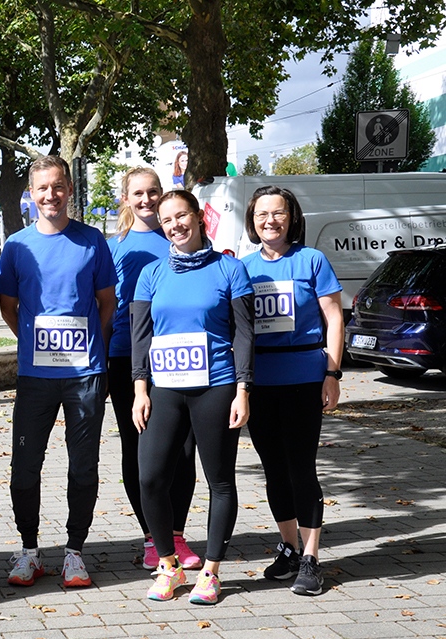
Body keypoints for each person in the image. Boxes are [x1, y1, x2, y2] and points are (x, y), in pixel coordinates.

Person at [0, 155, 117, 589]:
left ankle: (74, 552)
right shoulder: (17, 246)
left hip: (85, 375)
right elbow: (9, 307)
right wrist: (33, 341)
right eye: (42, 188)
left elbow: (107, 304)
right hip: (35, 378)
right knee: (25, 464)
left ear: (69, 189)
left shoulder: (92, 240)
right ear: (31, 193)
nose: (51, 195)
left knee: (83, 466)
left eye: (58, 186)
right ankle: (29, 551)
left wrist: (88, 348)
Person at [132, 189, 255, 606]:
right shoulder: (151, 273)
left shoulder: (229, 268)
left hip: (217, 385)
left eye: (181, 216)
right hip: (165, 388)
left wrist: (242, 388)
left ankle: (212, 571)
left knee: (219, 480)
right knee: (150, 477)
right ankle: (169, 565)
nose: (174, 226)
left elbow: (243, 332)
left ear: (198, 217)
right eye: (166, 221)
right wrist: (139, 389)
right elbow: (140, 336)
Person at [240, 186, 343, 596]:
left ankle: (313, 557)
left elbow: (334, 318)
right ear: (252, 221)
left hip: (303, 376)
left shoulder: (312, 260)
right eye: (262, 214)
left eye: (278, 213)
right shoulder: (243, 268)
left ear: (291, 217)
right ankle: (288, 547)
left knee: (301, 467)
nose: (270, 220)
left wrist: (333, 373)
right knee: (273, 469)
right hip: (260, 380)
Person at [107, 167, 200, 571]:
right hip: (126, 358)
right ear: (125, 199)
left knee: (184, 451)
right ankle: (152, 537)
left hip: (183, 360)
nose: (146, 199)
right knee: (139, 449)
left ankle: (176, 535)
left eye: (153, 192)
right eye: (138, 193)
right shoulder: (113, 247)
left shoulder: (183, 239)